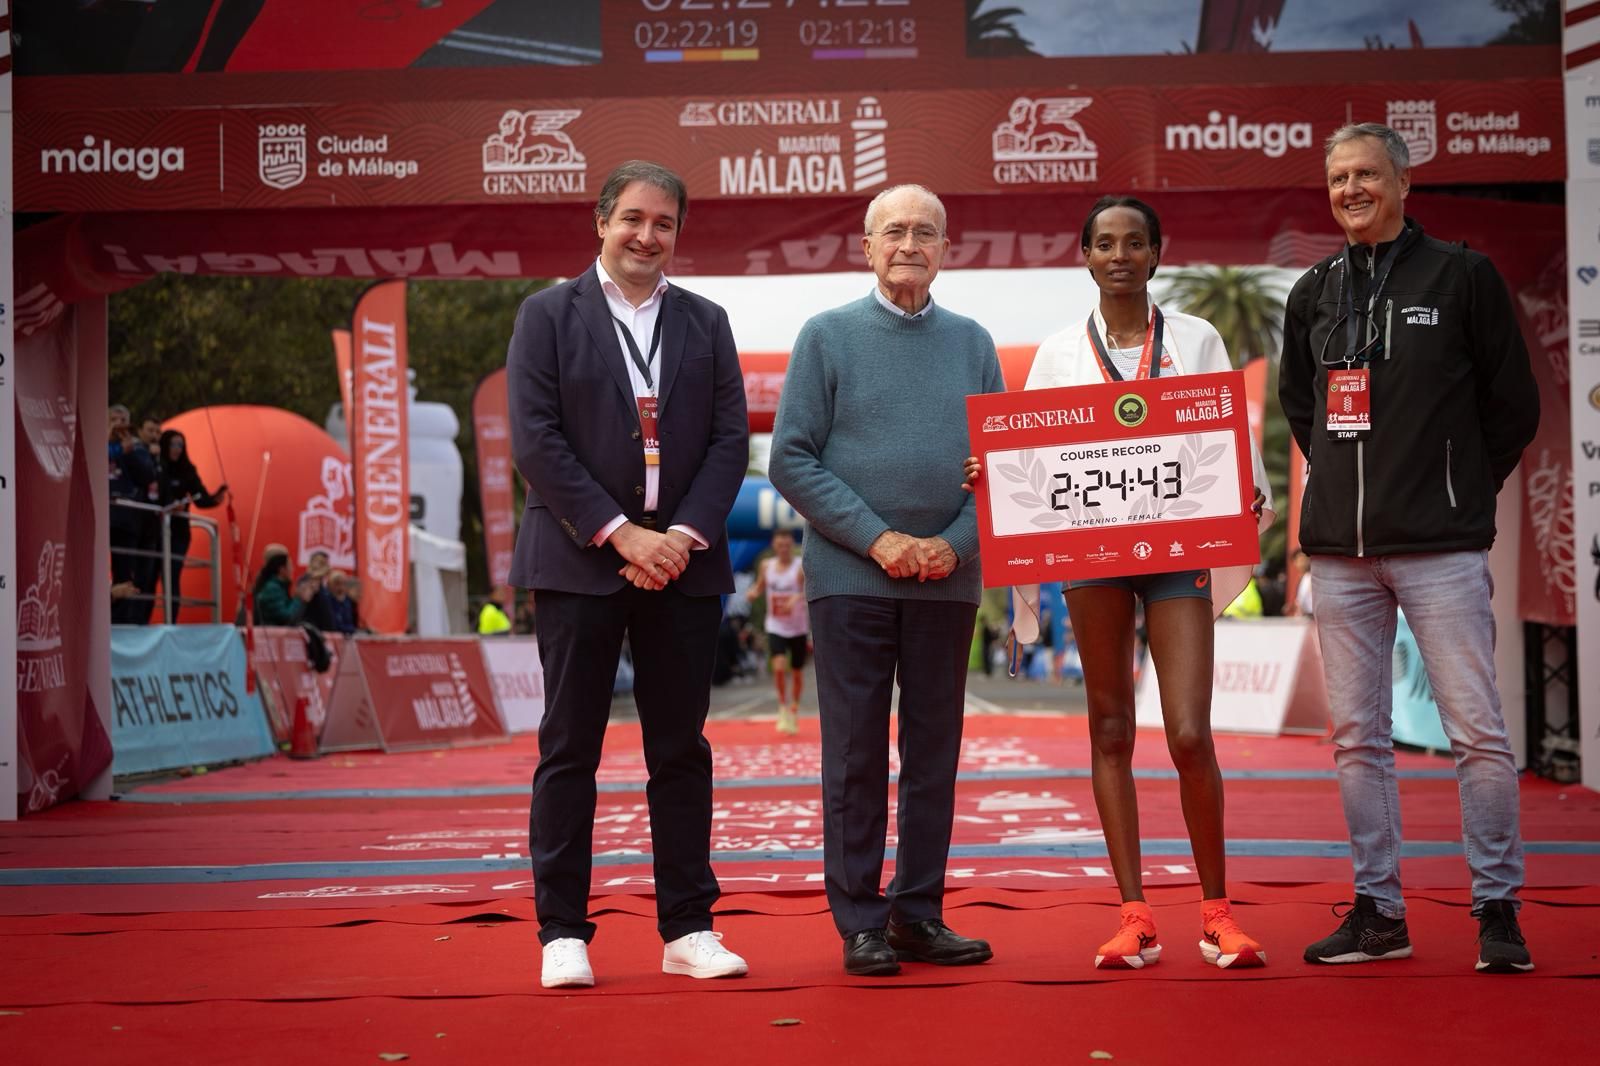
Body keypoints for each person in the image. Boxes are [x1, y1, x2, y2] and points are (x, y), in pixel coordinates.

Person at [965, 195, 1274, 971]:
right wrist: (991, 472)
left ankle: (1216, 914)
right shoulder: (1059, 353)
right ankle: (1134, 913)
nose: (1120, 255)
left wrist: (1251, 483)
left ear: (1157, 253)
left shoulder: (1196, 337)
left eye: (1135, 242)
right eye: (1105, 243)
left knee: (1189, 734)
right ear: (1087, 256)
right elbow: (1028, 457)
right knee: (1108, 729)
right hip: (1093, 555)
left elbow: (1230, 431)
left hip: (1178, 550)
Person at [1279, 122, 1540, 974]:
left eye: (1365, 174)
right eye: (1337, 177)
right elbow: (1303, 409)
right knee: (1358, 740)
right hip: (1342, 556)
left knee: (1478, 734)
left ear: (1401, 182)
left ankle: (1497, 910)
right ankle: (1378, 911)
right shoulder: (1313, 290)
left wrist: (1456, 486)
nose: (1350, 189)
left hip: (1441, 547)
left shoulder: (1462, 275)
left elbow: (1513, 408)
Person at [507, 160, 751, 989]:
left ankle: (688, 927)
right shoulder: (546, 315)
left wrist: (676, 536)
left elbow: (729, 442)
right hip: (579, 561)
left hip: (683, 565)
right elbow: (537, 440)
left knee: (679, 750)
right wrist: (622, 536)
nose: (648, 236)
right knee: (570, 746)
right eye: (634, 220)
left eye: (665, 224)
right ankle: (562, 933)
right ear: (601, 222)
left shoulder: (707, 322)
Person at [769, 184, 1005, 977]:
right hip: (851, 579)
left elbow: (1002, 469)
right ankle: (861, 921)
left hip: (948, 579)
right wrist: (881, 541)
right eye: (894, 231)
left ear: (948, 249)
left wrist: (952, 545)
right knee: (857, 755)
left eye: (926, 232)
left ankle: (919, 914)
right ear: (865, 247)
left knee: (935, 753)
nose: (910, 243)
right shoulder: (826, 336)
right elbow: (791, 458)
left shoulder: (975, 343)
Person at [153, 429, 226, 623]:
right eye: (173, 445)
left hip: (178, 530)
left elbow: (201, 498)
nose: (177, 449)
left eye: (180, 445)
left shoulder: (187, 469)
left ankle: (171, 620)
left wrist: (216, 497)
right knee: (151, 574)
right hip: (154, 529)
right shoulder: (156, 465)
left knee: (173, 574)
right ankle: (141, 617)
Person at [745, 529, 808, 734]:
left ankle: (794, 708)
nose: (783, 549)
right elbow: (759, 586)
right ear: (774, 546)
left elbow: (808, 590)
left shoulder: (800, 566)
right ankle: (782, 706)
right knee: (779, 667)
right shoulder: (767, 566)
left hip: (797, 625)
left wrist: (796, 598)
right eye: (780, 546)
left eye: (787, 546)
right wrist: (753, 593)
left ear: (792, 546)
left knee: (797, 671)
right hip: (775, 624)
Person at [108, 404, 160, 624]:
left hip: (126, 520)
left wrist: (127, 452)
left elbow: (147, 476)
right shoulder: (94, 441)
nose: (119, 425)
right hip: (100, 517)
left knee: (125, 573)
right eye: (114, 420)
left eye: (123, 421)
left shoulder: (137, 449)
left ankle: (122, 622)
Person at [250, 553, 300, 625]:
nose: (292, 569)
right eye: (290, 566)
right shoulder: (272, 589)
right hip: (270, 633)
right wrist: (299, 599)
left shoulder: (279, 587)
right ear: (282, 569)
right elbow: (286, 617)